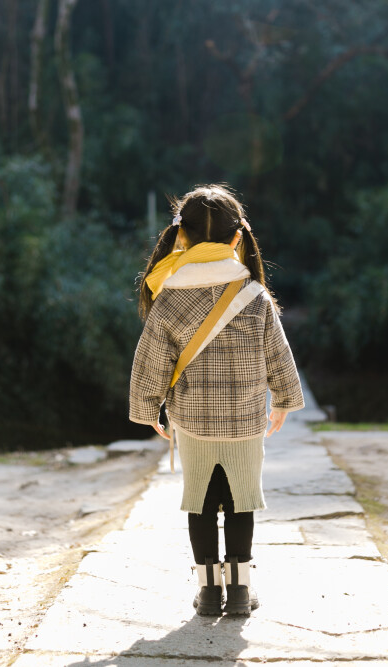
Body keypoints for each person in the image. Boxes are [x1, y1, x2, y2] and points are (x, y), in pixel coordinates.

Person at [129, 184, 304, 616]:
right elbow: (278, 353)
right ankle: (241, 590)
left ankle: (209, 592)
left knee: (201, 501)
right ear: (237, 238)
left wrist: (149, 408)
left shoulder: (169, 297)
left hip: (191, 420)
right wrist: (282, 400)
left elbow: (150, 358)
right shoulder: (255, 296)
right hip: (246, 418)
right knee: (242, 499)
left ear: (181, 238)